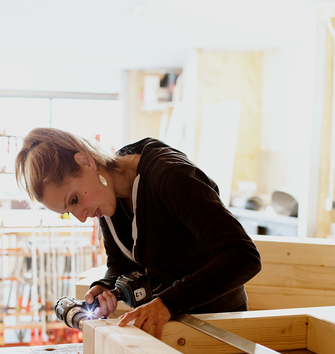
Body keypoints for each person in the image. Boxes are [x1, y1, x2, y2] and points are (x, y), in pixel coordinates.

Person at [14, 128, 262, 338]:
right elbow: (120, 264)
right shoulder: (108, 199)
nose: (81, 216)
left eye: (75, 199)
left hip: (220, 326)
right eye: (68, 212)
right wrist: (107, 286)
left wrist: (167, 303)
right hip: (170, 326)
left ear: (86, 162)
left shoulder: (170, 176)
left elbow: (243, 256)